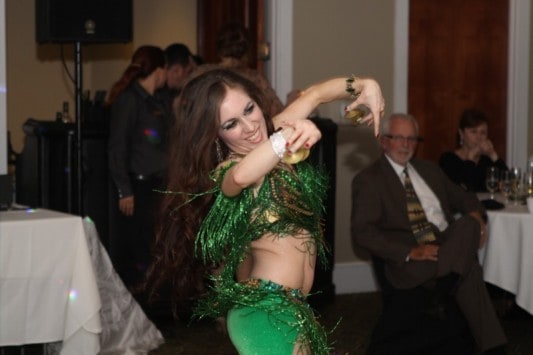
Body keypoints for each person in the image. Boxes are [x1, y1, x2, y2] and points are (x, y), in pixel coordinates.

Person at [144, 69, 384, 354]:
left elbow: (317, 94)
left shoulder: (270, 133)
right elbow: (243, 176)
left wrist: (365, 85)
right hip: (263, 310)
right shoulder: (227, 169)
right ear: (215, 134)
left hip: (290, 308)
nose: (249, 127)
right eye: (231, 123)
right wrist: (287, 137)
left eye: (250, 109)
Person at [351, 113, 507, 354]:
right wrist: (410, 252)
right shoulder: (369, 179)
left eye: (412, 139)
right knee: (471, 271)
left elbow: (464, 197)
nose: (406, 145)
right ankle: (494, 347)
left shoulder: (430, 170)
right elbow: (363, 232)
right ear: (384, 141)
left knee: (468, 224)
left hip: (446, 245)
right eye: (399, 138)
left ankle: (443, 290)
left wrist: (476, 215)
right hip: (414, 258)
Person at [106, 45, 169, 297]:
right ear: (159, 70)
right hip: (137, 188)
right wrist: (124, 190)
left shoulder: (155, 101)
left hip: (157, 185)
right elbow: (117, 147)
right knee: (136, 250)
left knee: (153, 248)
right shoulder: (130, 100)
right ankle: (138, 306)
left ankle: (153, 306)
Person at [192, 22, 285, 118]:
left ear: (219, 47)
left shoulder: (201, 73)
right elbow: (278, 112)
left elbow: (183, 106)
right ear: (248, 49)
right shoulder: (257, 79)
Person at [439, 108, 508, 192]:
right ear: (461, 134)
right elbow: (464, 189)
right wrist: (470, 159)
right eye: (473, 132)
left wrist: (492, 155)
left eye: (482, 133)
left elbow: (509, 184)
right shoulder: (448, 159)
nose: (478, 137)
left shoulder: (487, 161)